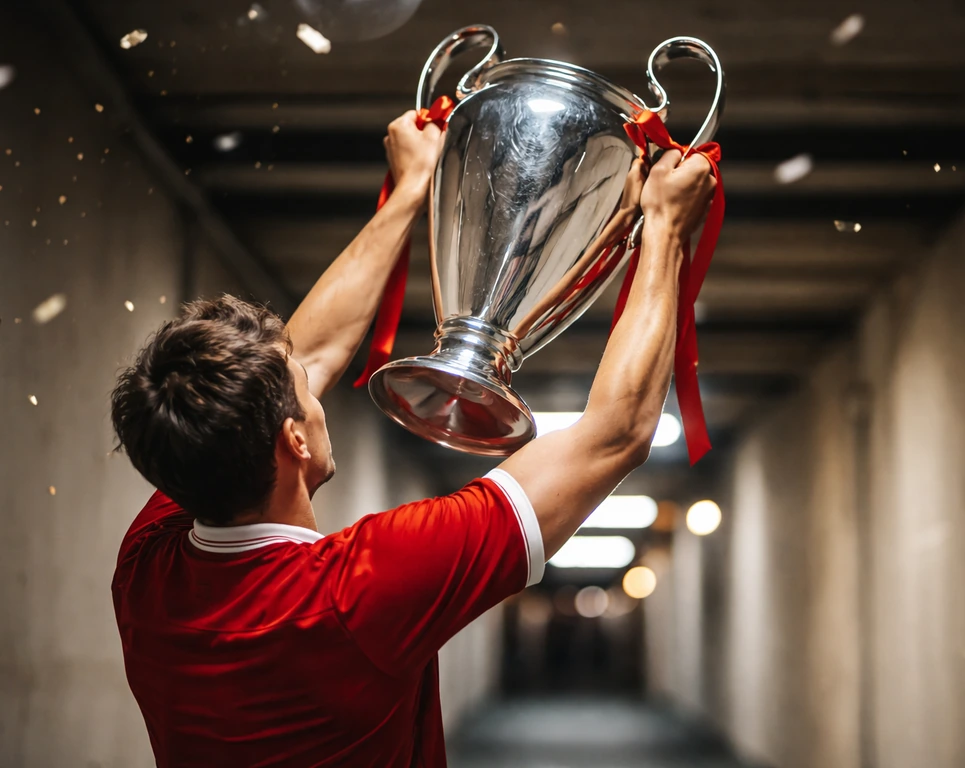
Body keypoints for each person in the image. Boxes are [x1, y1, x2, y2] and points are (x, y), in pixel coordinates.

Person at [110, 110, 716, 767]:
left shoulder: (148, 567)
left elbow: (301, 358)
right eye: (307, 396)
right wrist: (664, 229)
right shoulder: (360, 589)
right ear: (296, 442)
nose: (317, 389)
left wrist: (411, 190)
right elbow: (615, 434)